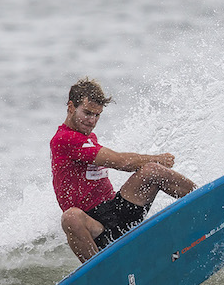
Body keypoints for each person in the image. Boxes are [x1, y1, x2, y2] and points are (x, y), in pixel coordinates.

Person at [50, 78, 196, 262]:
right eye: (87, 113)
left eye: (97, 115)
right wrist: (157, 158)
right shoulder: (65, 139)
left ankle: (209, 200)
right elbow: (120, 161)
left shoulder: (88, 137)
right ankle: (103, 274)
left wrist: (154, 164)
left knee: (152, 171)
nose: (92, 120)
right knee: (70, 218)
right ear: (71, 107)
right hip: (96, 229)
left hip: (117, 213)